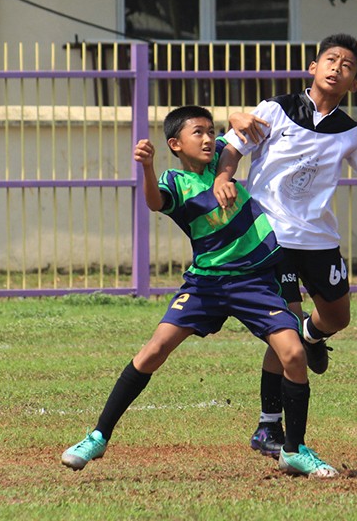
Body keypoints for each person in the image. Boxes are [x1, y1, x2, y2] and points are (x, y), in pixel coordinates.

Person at [61, 105, 337, 479]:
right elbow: (155, 202)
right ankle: (97, 437)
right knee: (153, 351)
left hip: (254, 280)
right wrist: (145, 166)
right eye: (198, 133)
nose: (208, 138)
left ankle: (295, 449)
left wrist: (237, 117)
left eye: (210, 131)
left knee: (292, 353)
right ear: (175, 144)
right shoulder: (174, 181)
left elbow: (240, 128)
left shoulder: (222, 156)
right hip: (205, 283)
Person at [212, 33, 357, 458]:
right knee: (283, 328)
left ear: (354, 84)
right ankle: (269, 425)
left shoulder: (351, 132)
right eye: (330, 59)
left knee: (337, 317)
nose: (337, 66)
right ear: (313, 67)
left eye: (347, 65)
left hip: (319, 239)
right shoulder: (276, 109)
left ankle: (312, 336)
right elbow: (232, 147)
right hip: (272, 236)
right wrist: (224, 176)